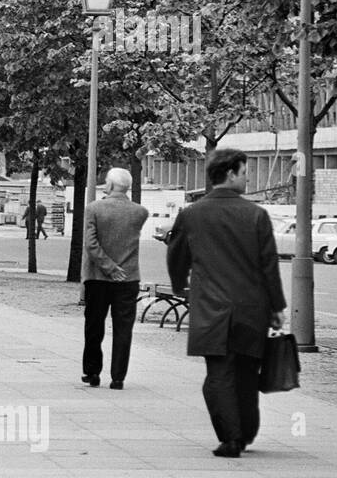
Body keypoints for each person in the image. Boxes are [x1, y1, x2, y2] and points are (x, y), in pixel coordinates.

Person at [167, 149, 286, 458]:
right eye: (245, 171)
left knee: (218, 373)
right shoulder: (256, 215)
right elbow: (268, 265)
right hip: (252, 308)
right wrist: (276, 308)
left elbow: (177, 256)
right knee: (248, 371)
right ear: (230, 174)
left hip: (211, 307)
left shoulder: (191, 214)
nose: (248, 177)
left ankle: (229, 437)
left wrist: (181, 286)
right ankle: (245, 433)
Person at [81, 168, 150, 390]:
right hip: (128, 278)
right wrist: (118, 268)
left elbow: (91, 244)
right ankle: (118, 377)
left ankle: (92, 372)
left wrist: (108, 267)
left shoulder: (94, 209)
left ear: (109, 185)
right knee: (123, 328)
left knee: (94, 326)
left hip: (97, 277)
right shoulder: (140, 212)